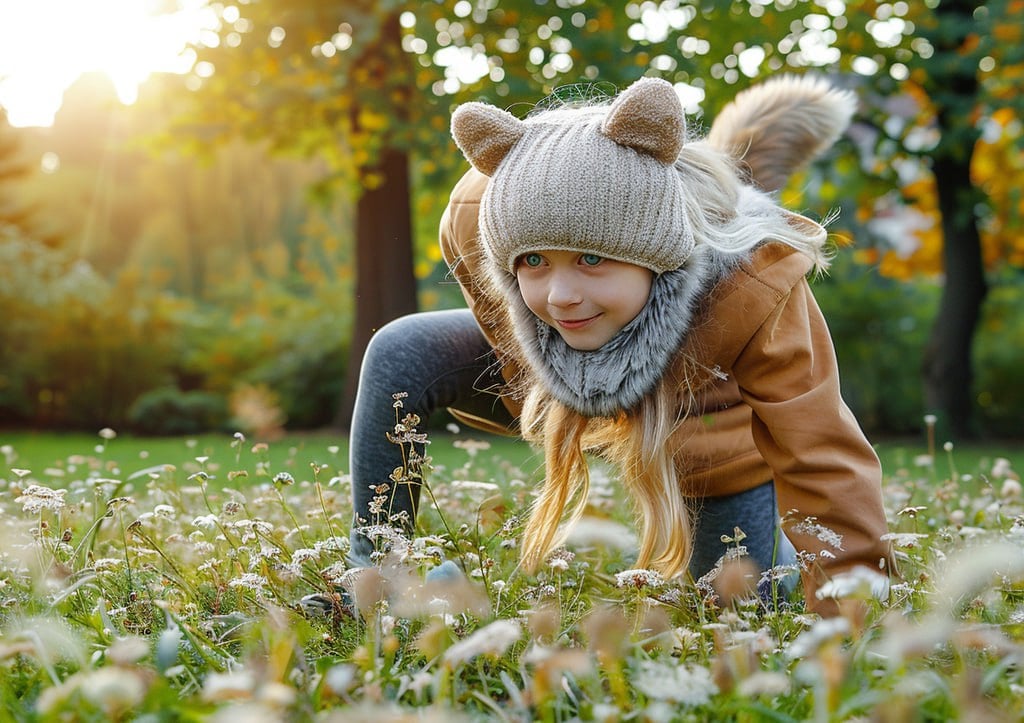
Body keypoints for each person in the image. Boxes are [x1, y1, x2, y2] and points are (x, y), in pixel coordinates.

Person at [348, 75, 892, 616]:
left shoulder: (756, 282)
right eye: (534, 261)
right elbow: (518, 338)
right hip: (555, 384)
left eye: (591, 259)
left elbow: (820, 451)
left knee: (740, 606)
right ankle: (375, 583)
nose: (560, 297)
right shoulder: (482, 209)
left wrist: (857, 609)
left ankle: (785, 565)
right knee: (403, 350)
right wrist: (574, 392)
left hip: (710, 420)